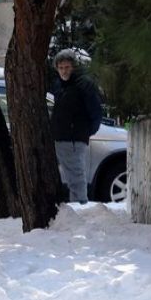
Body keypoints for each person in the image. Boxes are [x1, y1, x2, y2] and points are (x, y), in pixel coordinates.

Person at [49, 49, 103, 203]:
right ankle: (76, 208)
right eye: (60, 68)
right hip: (61, 137)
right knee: (71, 176)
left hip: (72, 139)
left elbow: (96, 112)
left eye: (67, 67)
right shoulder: (60, 86)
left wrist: (84, 131)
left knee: (75, 177)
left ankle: (80, 208)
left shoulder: (83, 84)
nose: (64, 71)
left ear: (74, 67)